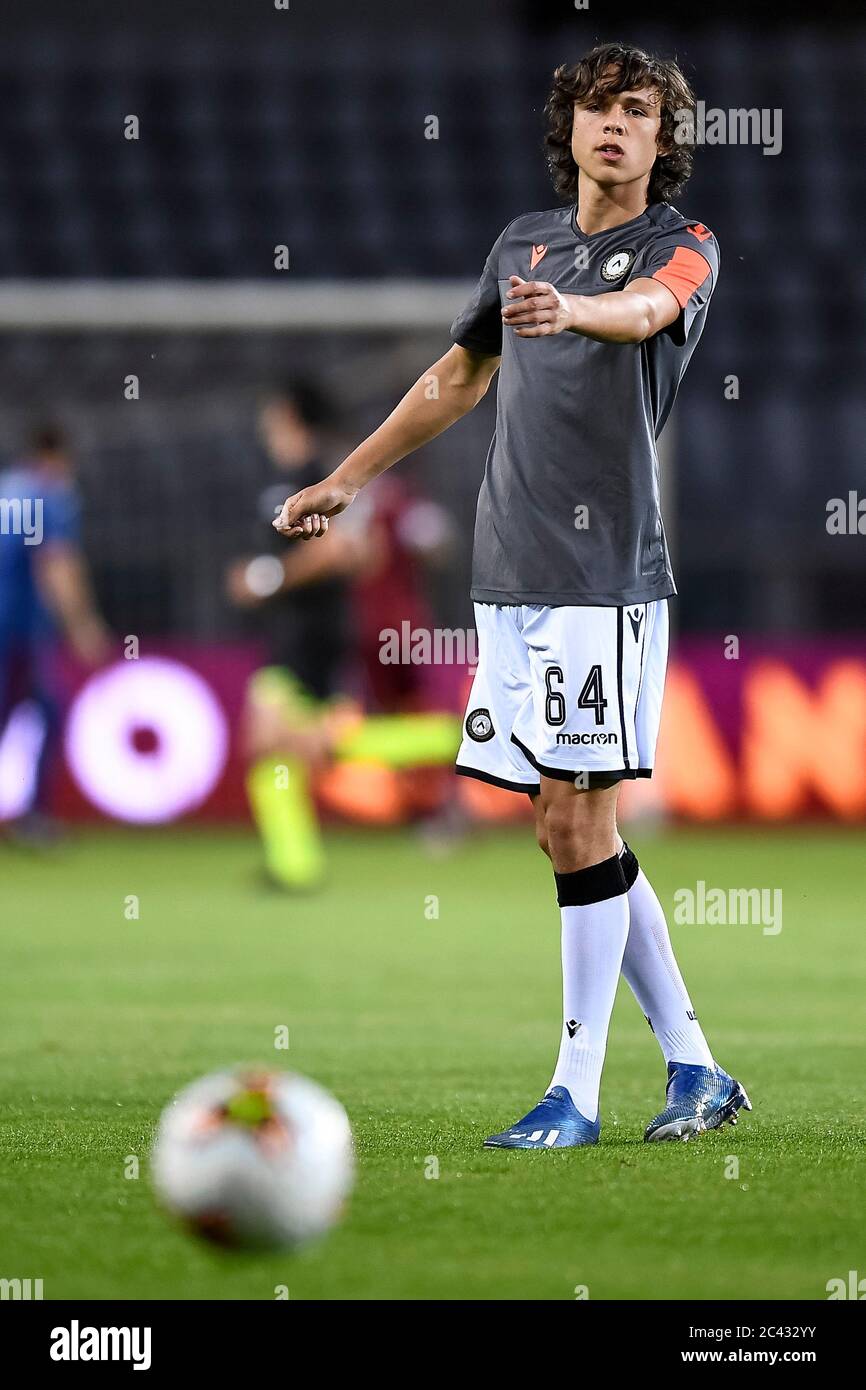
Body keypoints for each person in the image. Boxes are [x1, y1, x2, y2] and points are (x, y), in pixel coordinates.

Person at [272, 43, 752, 1145]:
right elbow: (454, 378)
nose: (614, 126)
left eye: (637, 112)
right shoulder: (519, 244)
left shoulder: (683, 247)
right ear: (569, 126)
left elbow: (640, 311)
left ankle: (573, 1094)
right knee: (558, 825)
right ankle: (695, 1066)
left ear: (663, 140)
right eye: (597, 108)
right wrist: (345, 480)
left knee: (582, 821)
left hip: (603, 579)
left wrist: (573, 315)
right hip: (510, 578)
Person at [227, 381, 459, 889]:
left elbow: (350, 552)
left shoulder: (319, 477)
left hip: (317, 636)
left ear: (287, 414)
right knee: (310, 747)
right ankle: (294, 866)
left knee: (277, 741)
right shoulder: (286, 477)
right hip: (298, 634)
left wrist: (267, 580)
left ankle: (453, 738)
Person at [0, 424, 110, 842]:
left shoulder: (8, 489)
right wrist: (82, 625)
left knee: (35, 710)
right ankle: (35, 817)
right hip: (18, 632)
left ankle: (34, 816)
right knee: (49, 713)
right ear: (59, 456)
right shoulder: (51, 494)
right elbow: (57, 563)